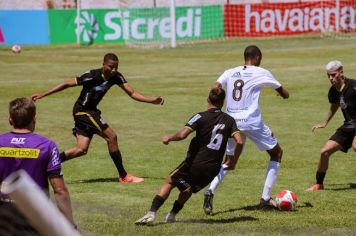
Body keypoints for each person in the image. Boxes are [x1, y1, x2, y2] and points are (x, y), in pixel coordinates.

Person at [31, 53, 164, 183]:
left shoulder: (116, 76)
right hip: (82, 111)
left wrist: (152, 100)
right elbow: (66, 84)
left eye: (116, 67)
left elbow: (132, 93)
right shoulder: (91, 75)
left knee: (81, 149)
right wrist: (43, 94)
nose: (114, 70)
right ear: (103, 64)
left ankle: (44, 165)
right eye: (111, 66)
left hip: (91, 111)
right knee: (111, 137)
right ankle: (123, 176)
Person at [134, 88, 243, 225]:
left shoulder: (200, 116)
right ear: (223, 102)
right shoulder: (230, 120)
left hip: (196, 163)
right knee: (188, 188)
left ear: (208, 99)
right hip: (213, 169)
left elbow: (182, 135)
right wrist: (232, 159)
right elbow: (239, 141)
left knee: (170, 181)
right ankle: (172, 215)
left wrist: (169, 137)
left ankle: (151, 213)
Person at [203, 45, 290, 214]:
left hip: (231, 121)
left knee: (230, 162)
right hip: (251, 121)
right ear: (257, 57)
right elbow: (285, 93)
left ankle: (210, 191)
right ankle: (265, 199)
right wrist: (282, 94)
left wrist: (213, 110)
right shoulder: (261, 72)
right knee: (276, 153)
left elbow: (215, 87)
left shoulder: (230, 71)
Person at [0, 97, 76, 234]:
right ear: (34, 118)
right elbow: (60, 190)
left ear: (10, 119)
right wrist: (69, 225)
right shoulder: (47, 146)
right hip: (35, 214)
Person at [306, 60, 356, 192]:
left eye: (333, 75)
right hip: (349, 126)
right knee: (324, 152)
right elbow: (335, 105)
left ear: (341, 72)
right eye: (328, 75)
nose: (330, 78)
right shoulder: (333, 91)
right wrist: (324, 123)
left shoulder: (354, 86)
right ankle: (319, 184)